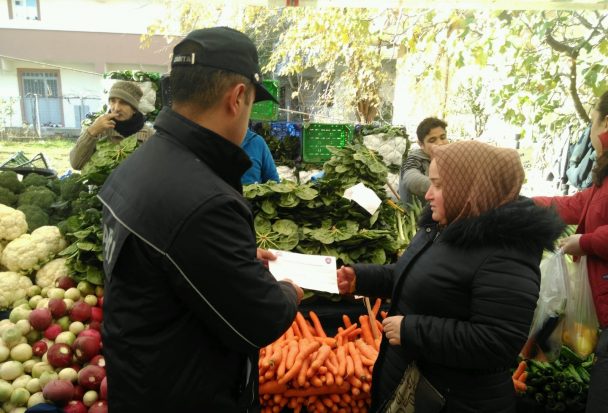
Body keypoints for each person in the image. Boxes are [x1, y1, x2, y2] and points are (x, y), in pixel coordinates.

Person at [97, 27, 303, 412]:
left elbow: (163, 265)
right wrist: (289, 291)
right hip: (185, 395)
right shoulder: (205, 199)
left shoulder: (140, 164)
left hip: (141, 384)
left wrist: (231, 262)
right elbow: (261, 320)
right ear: (238, 97)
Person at [337, 140, 564, 412]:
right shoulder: (444, 227)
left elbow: (497, 342)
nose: (428, 194)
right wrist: (361, 278)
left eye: (439, 185)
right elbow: (415, 277)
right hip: (417, 385)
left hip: (456, 400)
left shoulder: (507, 251)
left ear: (473, 187)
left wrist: (412, 330)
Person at [533, 91, 608, 413]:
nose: (590, 132)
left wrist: (586, 242)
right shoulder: (602, 178)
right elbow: (574, 205)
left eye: (593, 121)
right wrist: (520, 202)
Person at [69, 80, 154, 170]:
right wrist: (91, 132)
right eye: (113, 101)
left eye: (123, 103)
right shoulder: (97, 129)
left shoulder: (148, 134)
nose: (116, 108)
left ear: (134, 109)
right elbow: (76, 164)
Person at [398, 117, 448, 206]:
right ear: (421, 144)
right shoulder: (414, 159)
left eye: (442, 137)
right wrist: (443, 188)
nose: (440, 143)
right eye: (432, 140)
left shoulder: (448, 157)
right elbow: (411, 179)